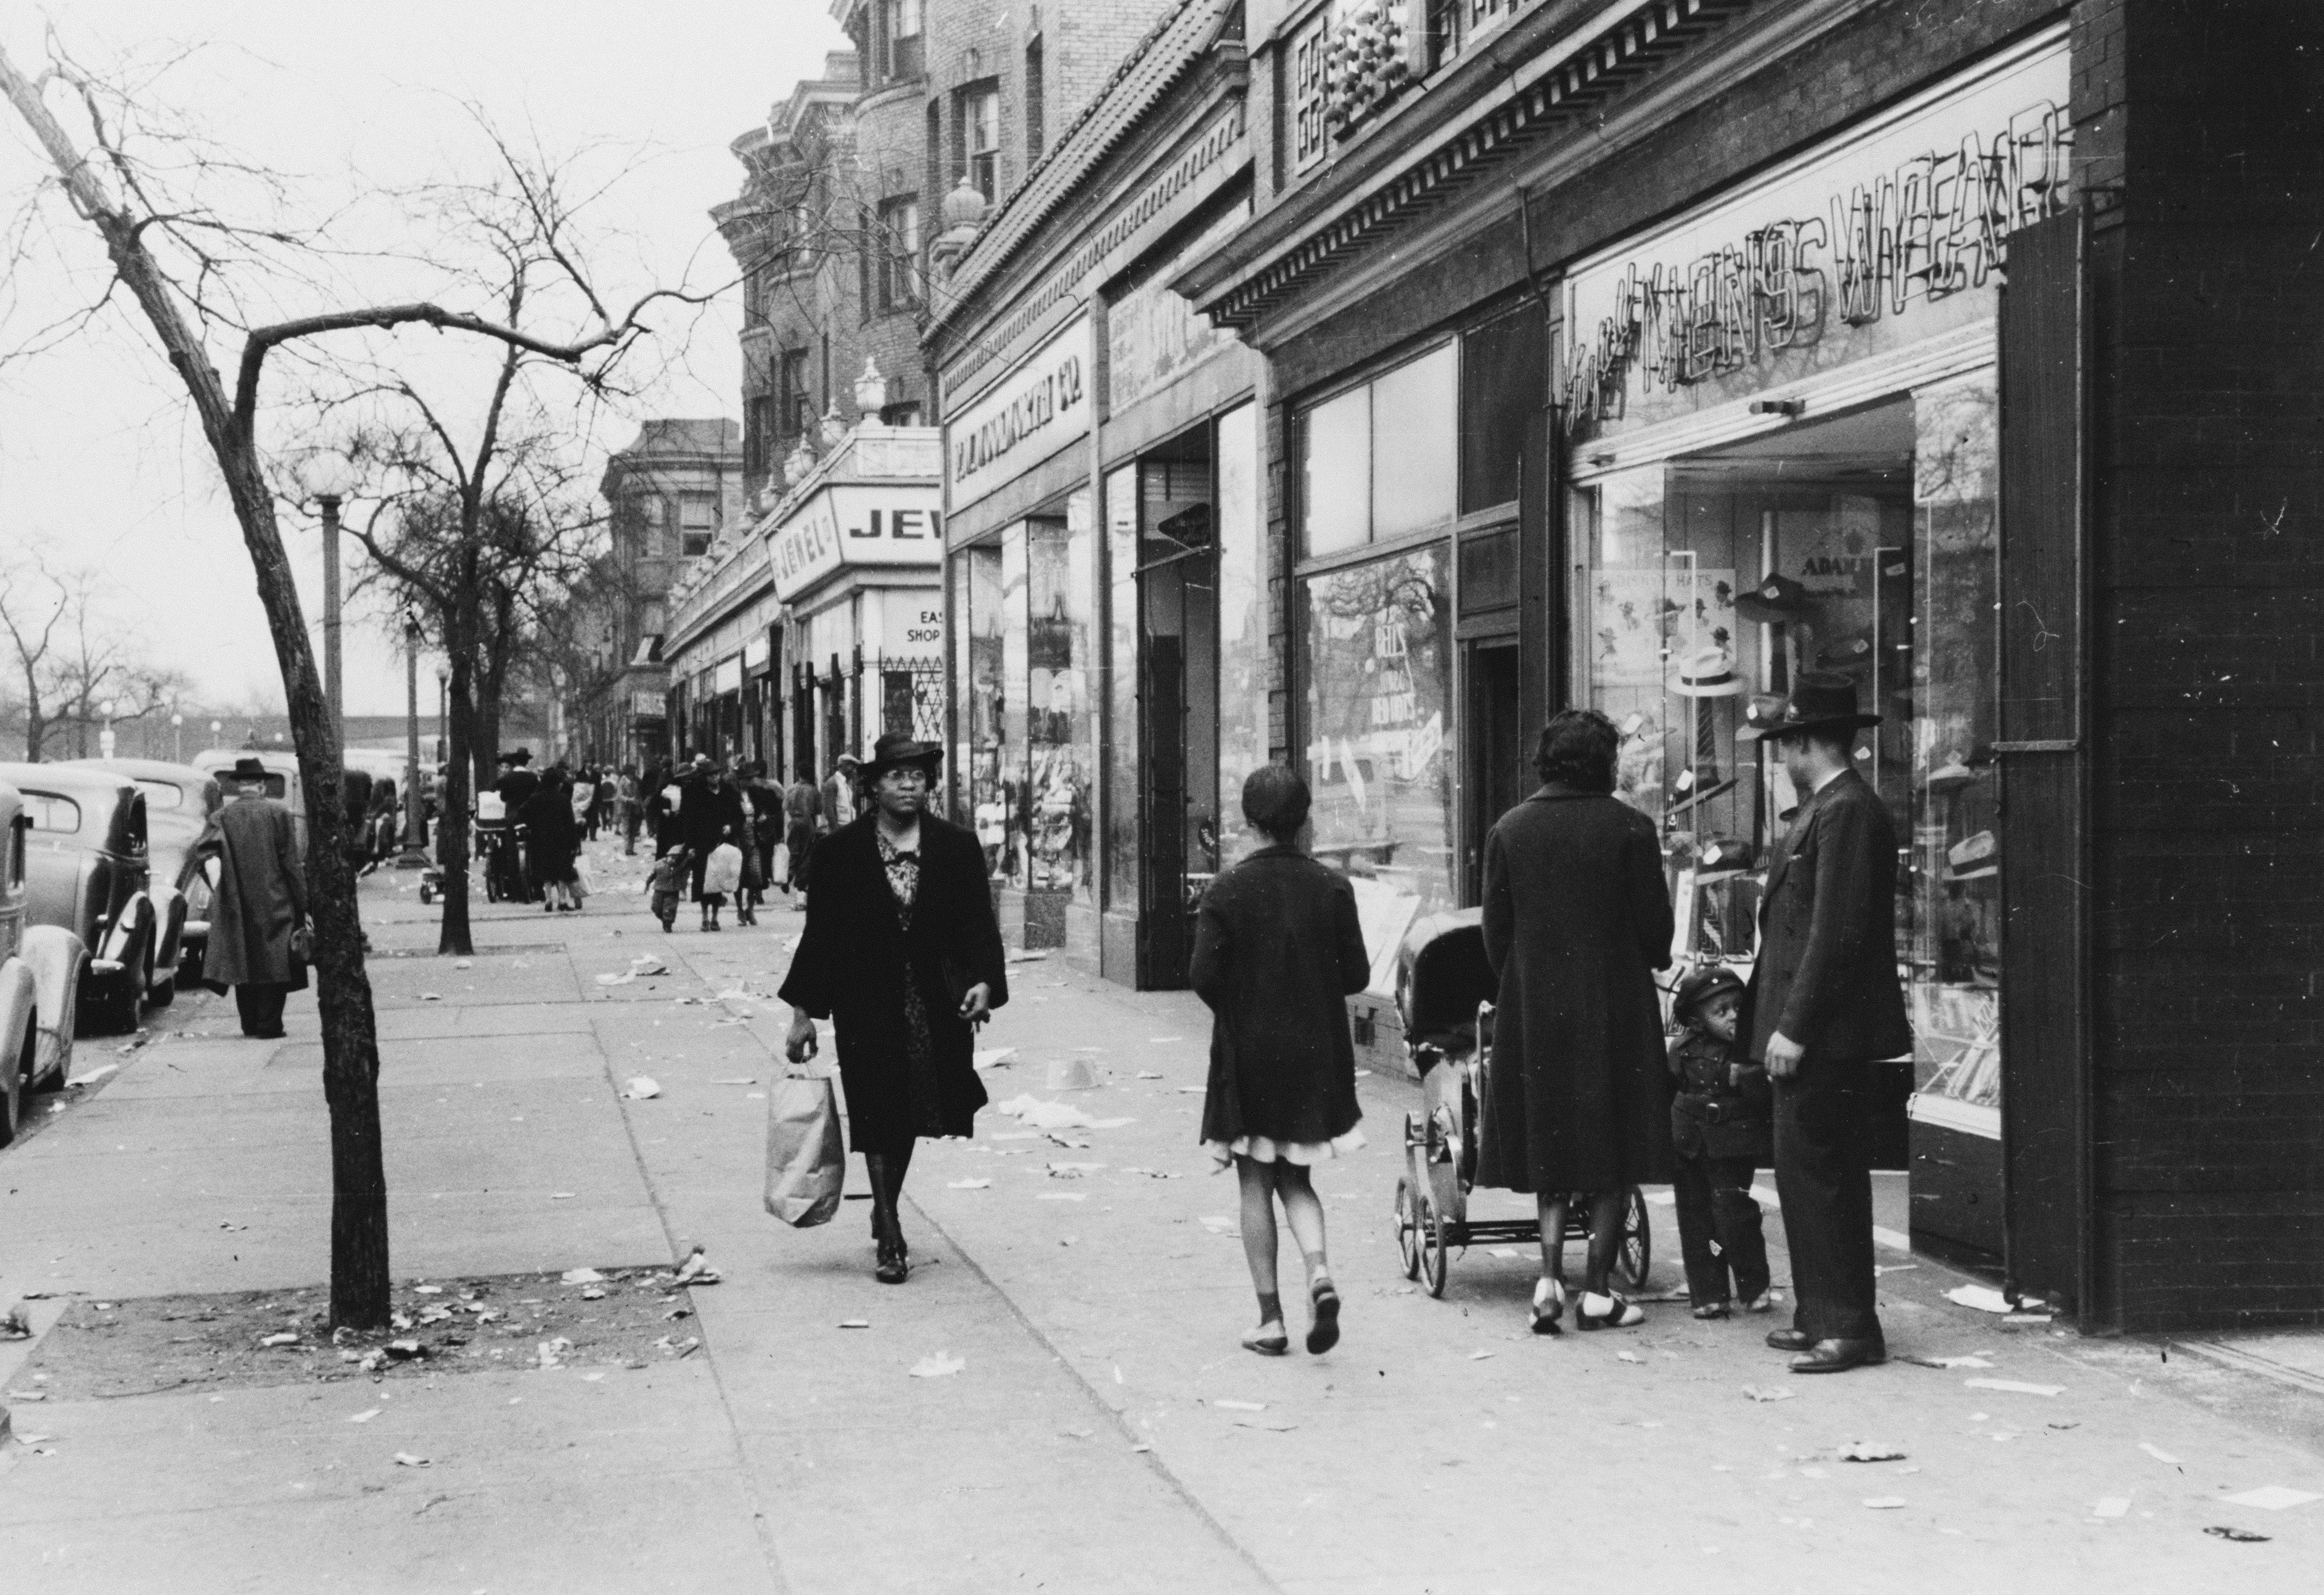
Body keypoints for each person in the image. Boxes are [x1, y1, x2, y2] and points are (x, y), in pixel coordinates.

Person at [781, 732, 1008, 1285]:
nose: (909, 784)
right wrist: (802, 1011)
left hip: (935, 1001)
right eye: (896, 776)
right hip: (867, 1000)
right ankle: (888, 1223)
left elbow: (980, 924)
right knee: (878, 1107)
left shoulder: (955, 846)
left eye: (918, 776)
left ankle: (884, 1207)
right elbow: (822, 936)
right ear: (873, 786)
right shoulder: (840, 852)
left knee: (912, 1111)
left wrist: (986, 982)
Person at [1477, 708, 1675, 1335]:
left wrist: (1525, 974)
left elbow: (1494, 934)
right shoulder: (1631, 828)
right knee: (1611, 1146)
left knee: (1551, 1137)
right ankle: (1596, 1290)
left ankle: (1546, 1279)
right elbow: (1657, 934)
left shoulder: (1508, 829)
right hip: (1614, 1004)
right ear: (1605, 763)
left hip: (1534, 1005)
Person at [1741, 670, 1913, 1374]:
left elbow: (1835, 933)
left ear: (1807, 741)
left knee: (1823, 1175)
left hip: (1825, 1036)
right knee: (1805, 1173)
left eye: (1786, 744)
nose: (1781, 758)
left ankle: (1847, 1325)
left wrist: (1795, 1026)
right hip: (1818, 1031)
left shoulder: (1844, 812)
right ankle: (1820, 1314)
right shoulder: (1830, 808)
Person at [1191, 765, 1371, 1358]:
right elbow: (1358, 975)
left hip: (1248, 1053)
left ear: (1248, 822)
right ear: (1305, 818)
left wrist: (1244, 1005)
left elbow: (1203, 976)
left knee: (1254, 1179)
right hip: (1316, 1050)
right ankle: (1318, 1272)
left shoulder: (1225, 889)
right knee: (1298, 1177)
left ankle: (1270, 1320)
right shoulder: (1332, 885)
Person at [1665, 963, 1773, 1320]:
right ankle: (1709, 1293)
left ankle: (1754, 1286)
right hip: (1688, 1143)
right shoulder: (1681, 1049)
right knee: (1695, 1217)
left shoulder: (1748, 1053)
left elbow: (1764, 1097)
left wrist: (1748, 1079)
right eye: (1720, 1011)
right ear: (1696, 1020)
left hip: (1730, 1145)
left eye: (1738, 1008)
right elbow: (1670, 1088)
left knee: (1735, 1213)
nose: (1733, 1017)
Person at [198, 756, 310, 1039]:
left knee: (243, 959)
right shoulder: (278, 814)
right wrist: (303, 903)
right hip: (275, 900)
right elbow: (291, 865)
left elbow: (203, 856)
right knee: (275, 963)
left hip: (237, 903)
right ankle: (270, 1024)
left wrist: (221, 891)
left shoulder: (222, 817)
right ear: (261, 785)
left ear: (239, 786)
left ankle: (249, 1023)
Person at [522, 771, 583, 912]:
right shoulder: (563, 799)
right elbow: (570, 822)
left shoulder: (535, 798)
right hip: (561, 840)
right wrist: (574, 842)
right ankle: (562, 901)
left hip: (540, 840)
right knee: (562, 870)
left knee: (546, 872)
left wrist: (530, 827)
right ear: (556, 784)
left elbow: (523, 813)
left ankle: (548, 901)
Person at [783, 765, 821, 905]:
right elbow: (819, 810)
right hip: (808, 822)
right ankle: (800, 884)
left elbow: (785, 807)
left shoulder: (791, 789)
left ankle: (788, 875)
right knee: (806, 854)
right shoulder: (813, 790)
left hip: (793, 821)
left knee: (793, 850)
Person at [649, 845, 690, 933]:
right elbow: (652, 875)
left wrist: (688, 857)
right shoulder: (659, 864)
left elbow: (684, 866)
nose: (674, 860)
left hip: (672, 890)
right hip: (659, 890)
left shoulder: (678, 866)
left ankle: (668, 924)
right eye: (673, 857)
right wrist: (647, 884)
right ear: (668, 856)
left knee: (670, 909)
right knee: (655, 907)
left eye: (676, 858)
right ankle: (664, 919)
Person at [821, 752, 860, 834]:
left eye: (854, 766)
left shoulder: (845, 784)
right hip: (839, 828)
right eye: (850, 765)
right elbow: (828, 808)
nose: (853, 769)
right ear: (841, 766)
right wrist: (836, 831)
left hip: (848, 827)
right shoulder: (833, 782)